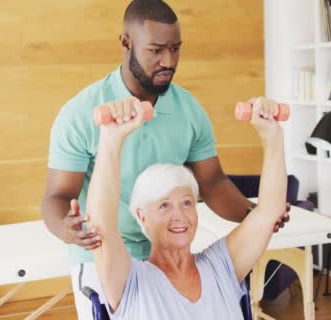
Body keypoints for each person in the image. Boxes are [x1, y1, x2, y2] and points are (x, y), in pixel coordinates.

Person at [40, 1, 289, 318]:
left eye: (175, 49)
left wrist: (255, 216)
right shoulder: (80, 112)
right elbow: (58, 198)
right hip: (103, 254)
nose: (168, 61)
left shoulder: (188, 109)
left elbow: (212, 183)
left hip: (168, 252)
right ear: (126, 43)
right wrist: (69, 228)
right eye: (156, 50)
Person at [85, 100, 287, 319]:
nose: (179, 216)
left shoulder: (220, 266)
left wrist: (272, 136)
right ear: (142, 217)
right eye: (164, 205)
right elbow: (100, 228)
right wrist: (111, 140)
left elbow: (267, 214)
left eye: (187, 203)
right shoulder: (130, 282)